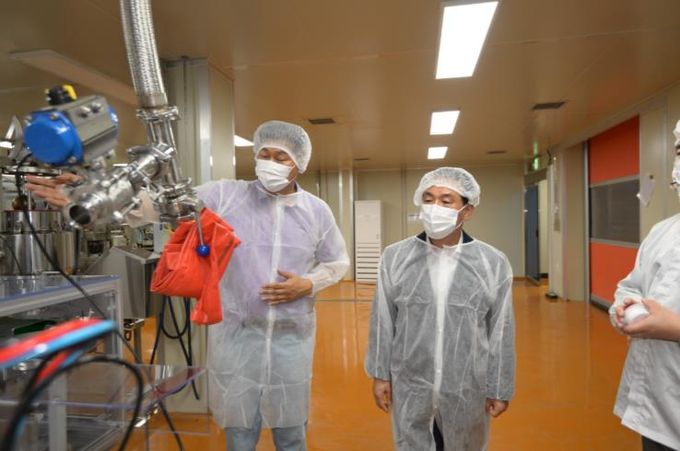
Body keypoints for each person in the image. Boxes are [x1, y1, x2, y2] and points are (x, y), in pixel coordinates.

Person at [27, 120, 350, 451]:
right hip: (237, 338)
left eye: (280, 157)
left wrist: (307, 284)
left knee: (291, 433)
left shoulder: (316, 211)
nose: (270, 163)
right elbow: (159, 205)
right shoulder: (225, 195)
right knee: (239, 433)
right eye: (264, 154)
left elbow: (337, 262)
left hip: (290, 339)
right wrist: (93, 196)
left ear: (299, 162)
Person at [365, 167, 515, 451]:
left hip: (466, 388)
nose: (435, 207)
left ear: (467, 211)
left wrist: (499, 387)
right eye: (428, 199)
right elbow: (382, 321)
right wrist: (380, 375)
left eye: (446, 201)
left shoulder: (491, 263)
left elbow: (501, 331)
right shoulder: (396, 258)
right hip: (411, 384)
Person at [609, 149, 680, 450]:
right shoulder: (663, 231)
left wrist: (675, 328)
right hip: (655, 406)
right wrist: (624, 308)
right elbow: (631, 286)